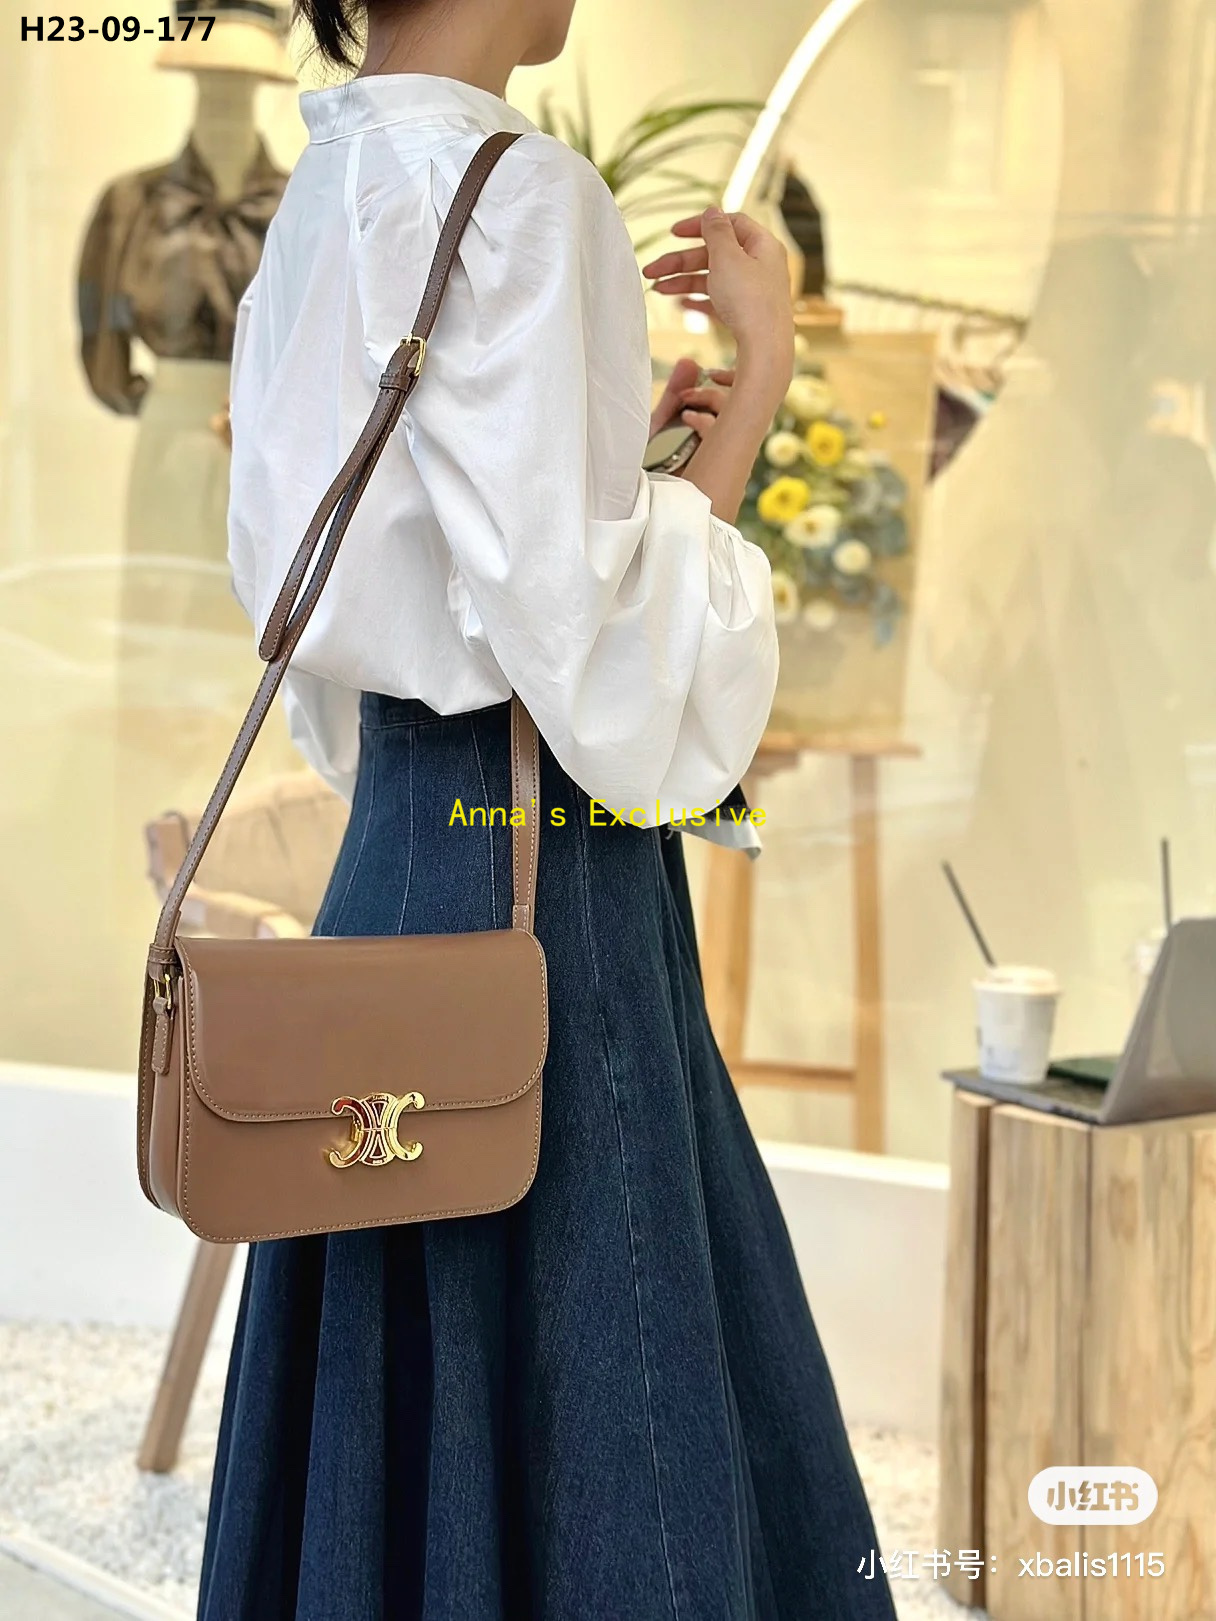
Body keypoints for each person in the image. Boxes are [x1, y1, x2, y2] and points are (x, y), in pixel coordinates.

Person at [197, 1, 897, 1616]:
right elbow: (600, 676)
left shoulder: (326, 186)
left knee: (393, 1314)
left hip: (399, 851)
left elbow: (357, 576)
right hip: (548, 876)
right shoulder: (522, 190)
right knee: (617, 1339)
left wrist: (618, 491)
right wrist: (752, 403)